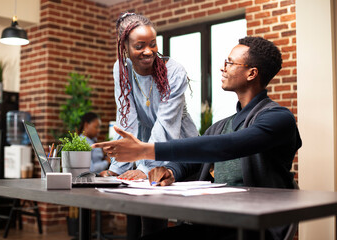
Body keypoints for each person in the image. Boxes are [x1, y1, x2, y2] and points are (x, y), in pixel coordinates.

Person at [92, 36, 302, 240]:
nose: (223, 68)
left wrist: (147, 149)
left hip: (253, 228)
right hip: (215, 224)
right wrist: (171, 171)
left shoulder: (278, 119)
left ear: (251, 73)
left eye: (229, 62)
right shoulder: (221, 126)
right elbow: (194, 161)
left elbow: (227, 147)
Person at [99, 12, 198, 181]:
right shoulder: (122, 69)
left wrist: (146, 168)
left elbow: (166, 125)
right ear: (125, 47)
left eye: (153, 44)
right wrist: (118, 166)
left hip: (181, 152)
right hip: (151, 151)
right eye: (139, 46)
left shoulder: (174, 72)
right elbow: (125, 119)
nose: (148, 51)